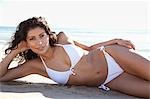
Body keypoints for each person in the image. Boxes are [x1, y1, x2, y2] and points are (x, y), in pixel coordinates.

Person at [0, 17, 149, 98]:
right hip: (110, 80)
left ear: (48, 35)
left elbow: (89, 48)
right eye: (32, 39)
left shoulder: (62, 39)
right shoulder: (36, 66)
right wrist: (14, 51)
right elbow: (2, 77)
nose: (39, 42)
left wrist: (114, 40)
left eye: (42, 36)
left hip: (113, 55)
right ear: (26, 42)